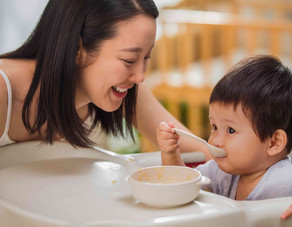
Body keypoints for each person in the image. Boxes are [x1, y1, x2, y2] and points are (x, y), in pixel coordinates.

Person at [0, 0, 210, 158]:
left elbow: (193, 148)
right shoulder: (4, 89)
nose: (139, 77)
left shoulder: (124, 85)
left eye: (146, 57)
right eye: (128, 60)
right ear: (77, 48)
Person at [157, 55, 292, 227]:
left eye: (230, 130)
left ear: (274, 143)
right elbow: (180, 189)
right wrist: (170, 152)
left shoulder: (288, 179)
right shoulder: (219, 171)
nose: (215, 141)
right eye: (214, 127)